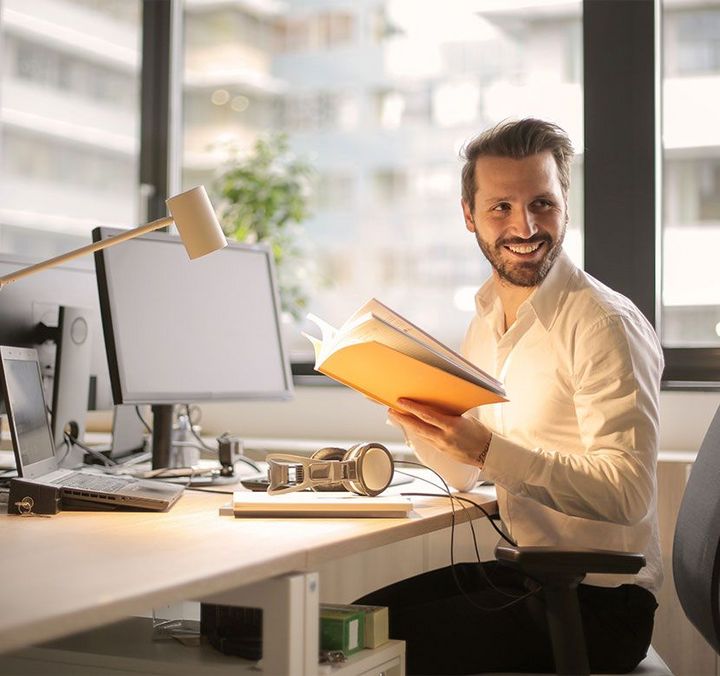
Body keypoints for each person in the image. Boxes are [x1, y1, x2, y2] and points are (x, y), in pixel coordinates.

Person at [356, 118, 664, 674]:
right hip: (530, 576)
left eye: (542, 203)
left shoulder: (603, 323)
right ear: (468, 216)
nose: (525, 225)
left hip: (599, 604)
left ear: (565, 203)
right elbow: (462, 477)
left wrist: (484, 449)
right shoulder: (487, 318)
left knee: (357, 650)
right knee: (349, 622)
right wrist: (415, 416)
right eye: (501, 207)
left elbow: (628, 493)